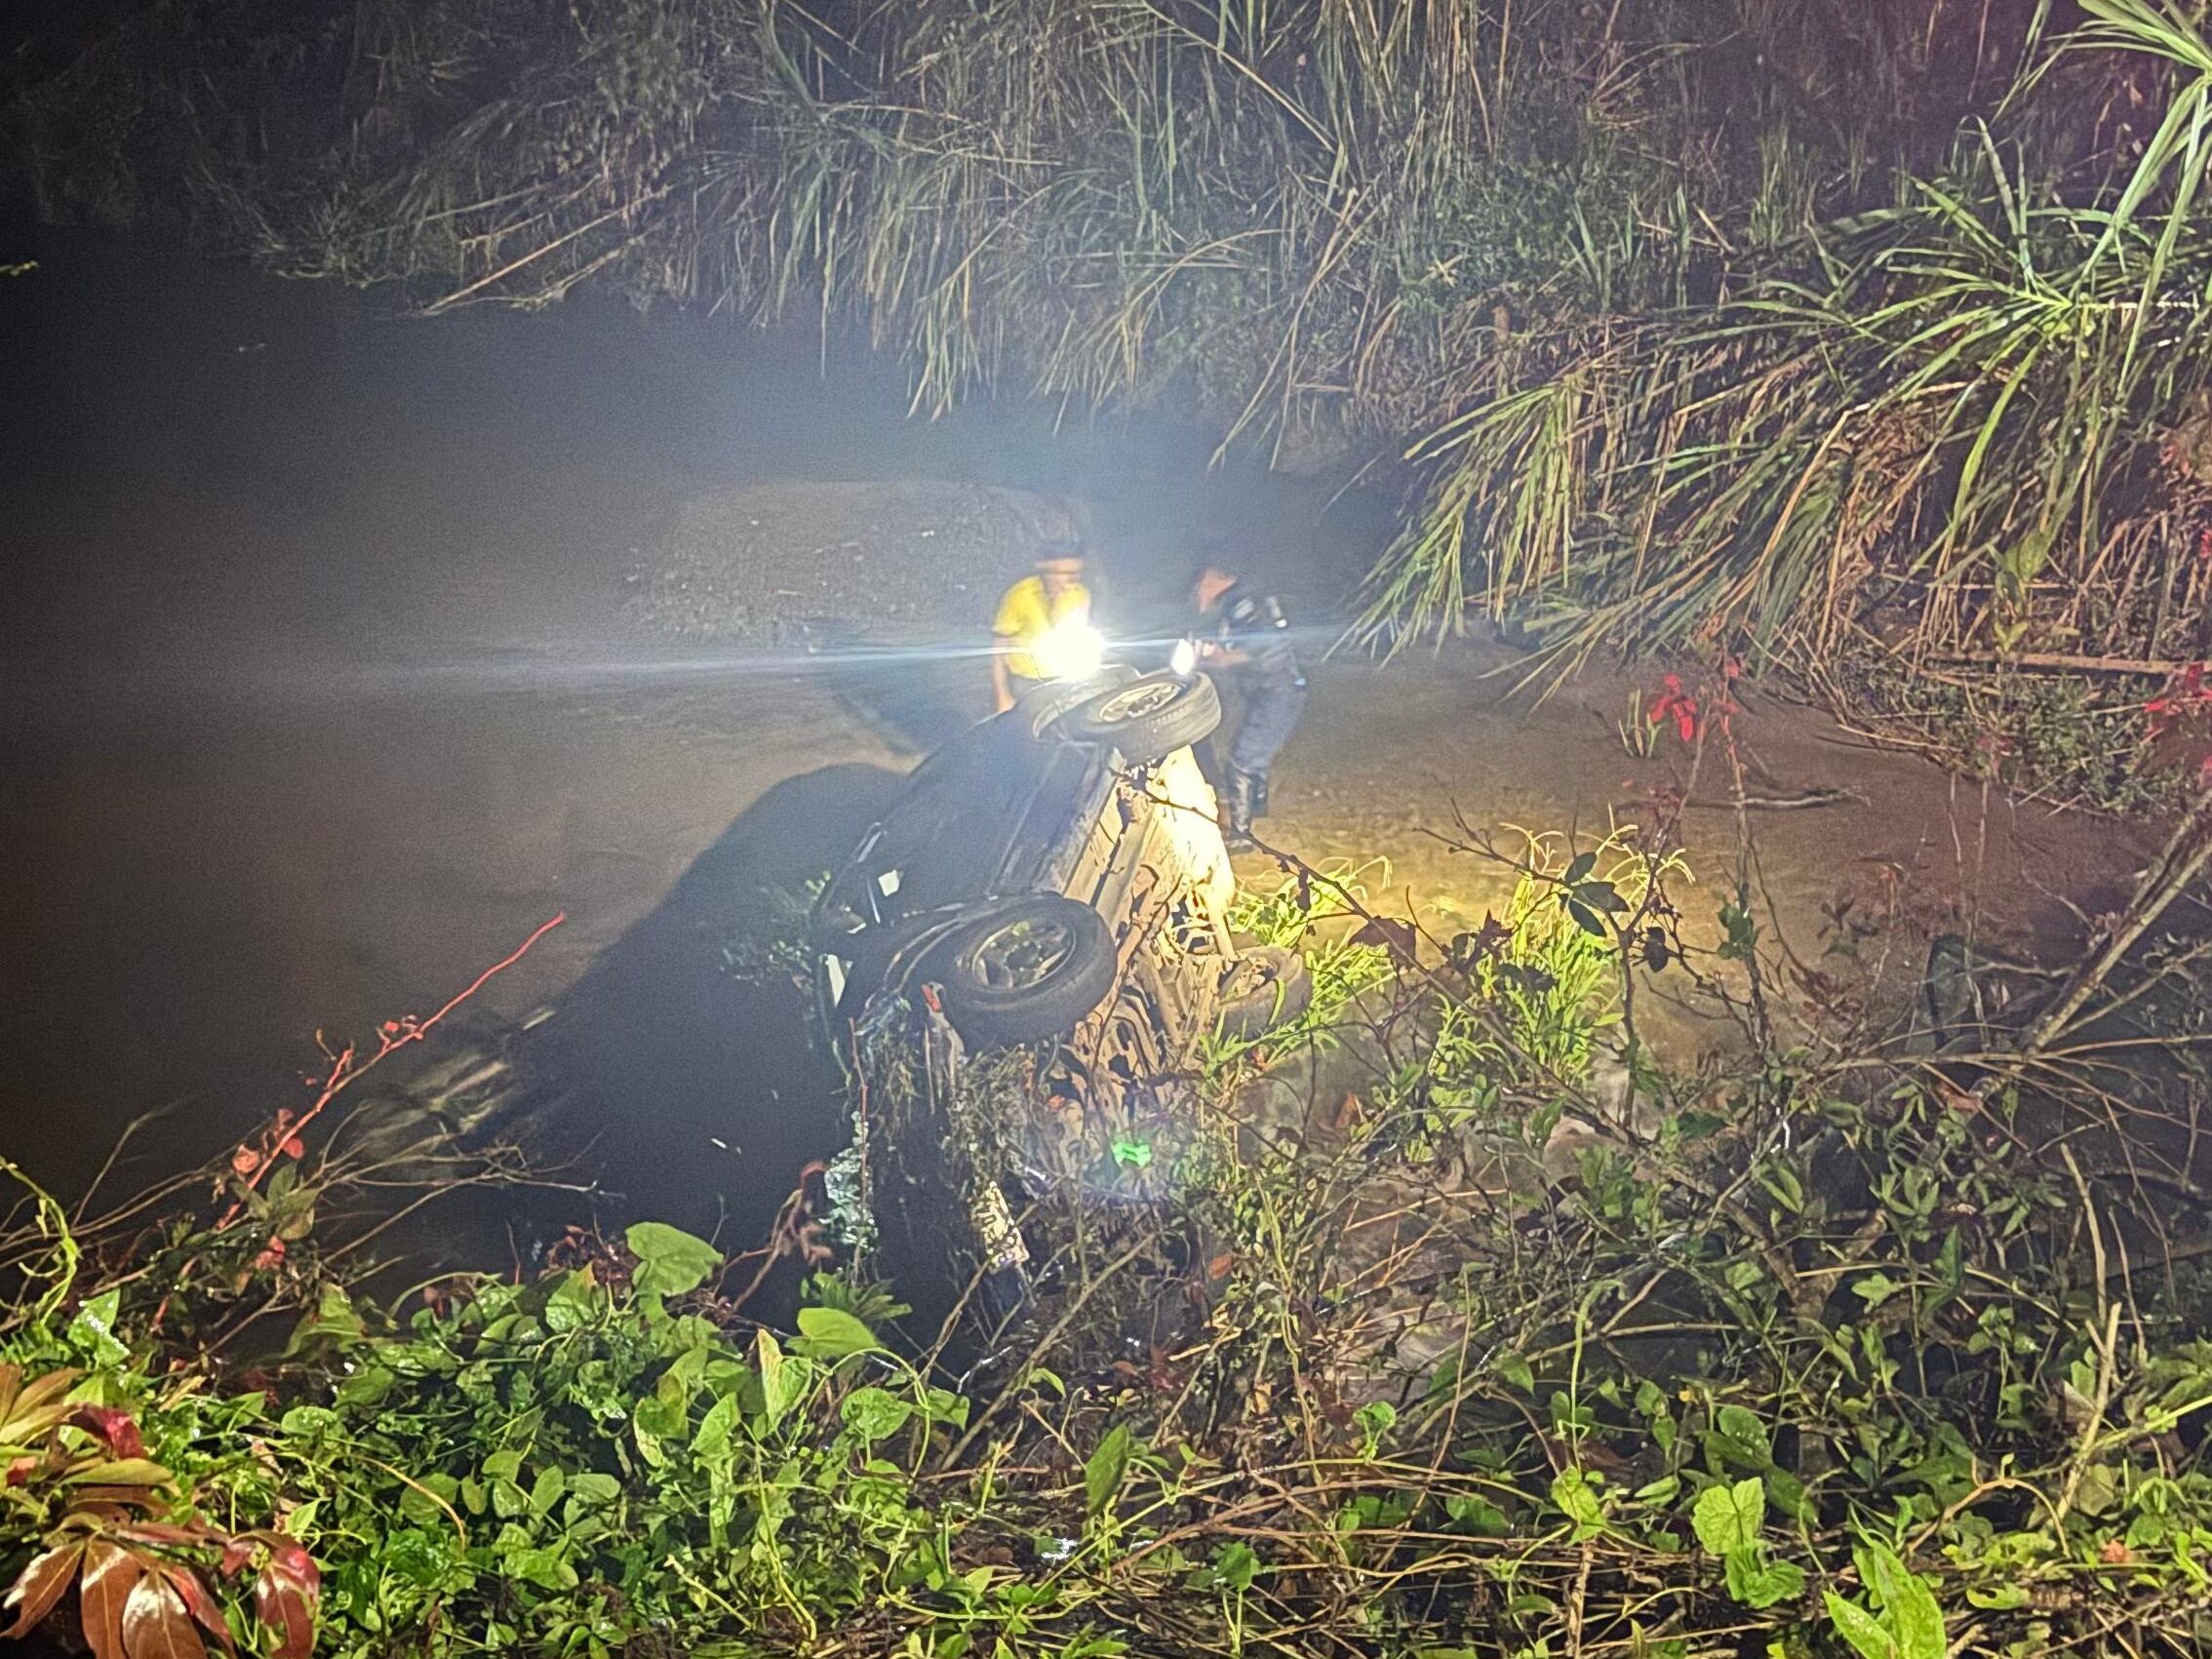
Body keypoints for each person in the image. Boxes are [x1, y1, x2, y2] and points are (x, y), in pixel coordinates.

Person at [1190, 561, 1306, 850]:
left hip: (1277, 692)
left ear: (1214, 577)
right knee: (1254, 752)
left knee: (1241, 762)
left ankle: (1241, 836)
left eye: (1201, 583)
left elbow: (1259, 647)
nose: (1197, 591)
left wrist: (1221, 658)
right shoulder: (1244, 600)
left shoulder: (1242, 604)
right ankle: (1258, 807)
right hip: (1280, 689)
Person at [991, 549, 1092, 713]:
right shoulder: (1020, 596)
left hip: (1064, 679)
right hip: (1026, 684)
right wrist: (1002, 694)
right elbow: (999, 649)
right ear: (1046, 570)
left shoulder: (1080, 594)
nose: (1070, 580)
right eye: (1064, 573)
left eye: (1076, 574)